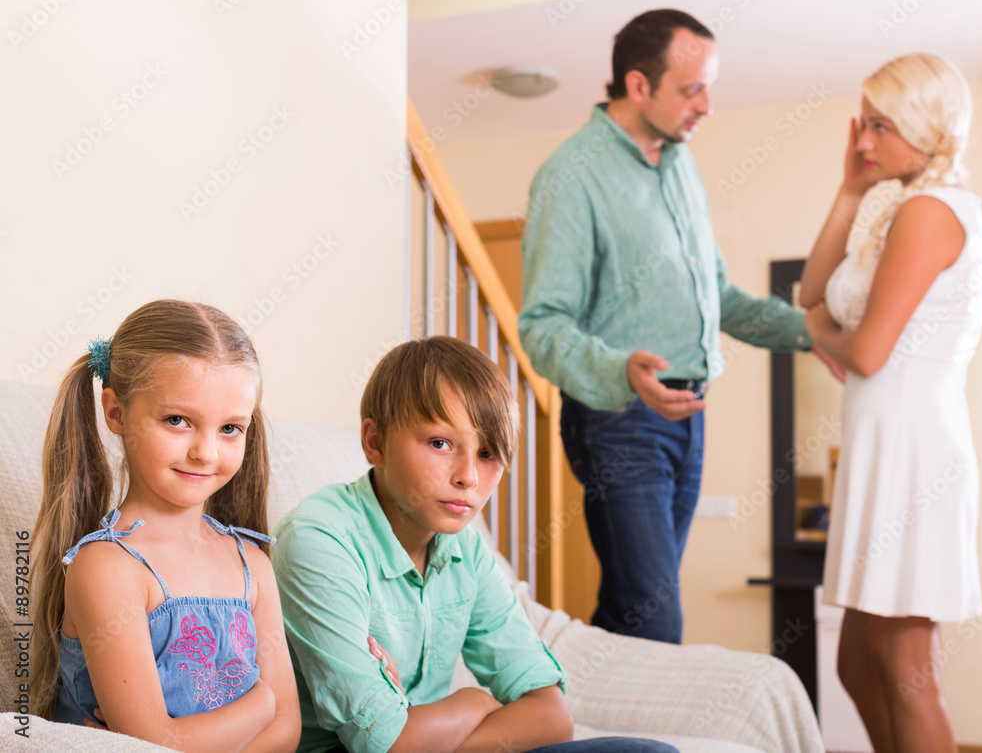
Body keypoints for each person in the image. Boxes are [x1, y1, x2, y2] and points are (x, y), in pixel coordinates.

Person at [518, 9, 815, 644]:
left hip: (689, 417)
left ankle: (584, 726)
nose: (706, 105)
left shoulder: (680, 165)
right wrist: (619, 368)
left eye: (710, 86)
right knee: (655, 618)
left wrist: (812, 332)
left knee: (634, 612)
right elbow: (542, 326)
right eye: (691, 89)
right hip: (618, 419)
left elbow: (720, 295)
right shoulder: (571, 177)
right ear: (638, 85)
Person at [273, 336, 678, 753]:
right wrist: (475, 701)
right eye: (440, 444)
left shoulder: (465, 549)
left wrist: (425, 733)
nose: (468, 476)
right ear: (375, 442)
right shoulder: (319, 539)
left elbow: (552, 716)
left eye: (487, 453)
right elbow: (385, 743)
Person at [800, 54, 982, 753]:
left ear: (925, 128)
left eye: (881, 125)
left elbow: (866, 350)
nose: (865, 139)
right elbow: (810, 292)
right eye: (864, 121)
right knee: (855, 662)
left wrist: (820, 329)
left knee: (910, 676)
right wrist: (850, 189)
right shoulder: (902, 207)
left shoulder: (932, 211)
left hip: (914, 453)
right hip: (886, 448)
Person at [31, 299, 300, 752]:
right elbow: (157, 741)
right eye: (178, 420)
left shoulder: (252, 564)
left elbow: (288, 732)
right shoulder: (107, 568)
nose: (206, 453)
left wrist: (272, 714)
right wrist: (262, 703)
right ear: (116, 414)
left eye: (231, 428)